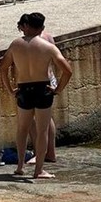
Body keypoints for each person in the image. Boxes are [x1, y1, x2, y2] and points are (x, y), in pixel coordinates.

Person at [0, 12, 72, 179]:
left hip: (23, 88)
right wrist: (58, 89)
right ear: (42, 28)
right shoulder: (48, 47)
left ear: (27, 26)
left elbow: (2, 68)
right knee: (42, 131)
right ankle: (38, 170)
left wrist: (11, 89)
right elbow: (67, 71)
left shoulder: (16, 45)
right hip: (42, 88)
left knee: (22, 129)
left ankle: (19, 166)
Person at [17, 13, 58, 163]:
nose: (22, 32)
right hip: (50, 78)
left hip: (37, 82)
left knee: (33, 121)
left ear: (26, 26)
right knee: (47, 119)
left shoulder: (31, 41)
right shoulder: (48, 37)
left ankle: (39, 153)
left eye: (22, 28)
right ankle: (50, 153)